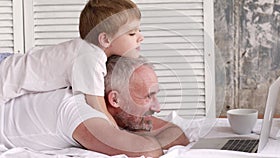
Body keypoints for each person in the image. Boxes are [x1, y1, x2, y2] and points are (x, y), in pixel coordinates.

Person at [0, 56, 189, 157]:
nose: (157, 107)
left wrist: (131, 131)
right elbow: (147, 151)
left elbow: (176, 134)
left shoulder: (109, 106)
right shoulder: (79, 111)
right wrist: (132, 136)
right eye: (148, 97)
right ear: (115, 100)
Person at [0, 0, 144, 127]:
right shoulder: (90, 58)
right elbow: (97, 107)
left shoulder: (85, 50)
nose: (141, 38)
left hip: (9, 62)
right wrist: (117, 133)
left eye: (139, 31)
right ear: (105, 39)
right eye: (132, 34)